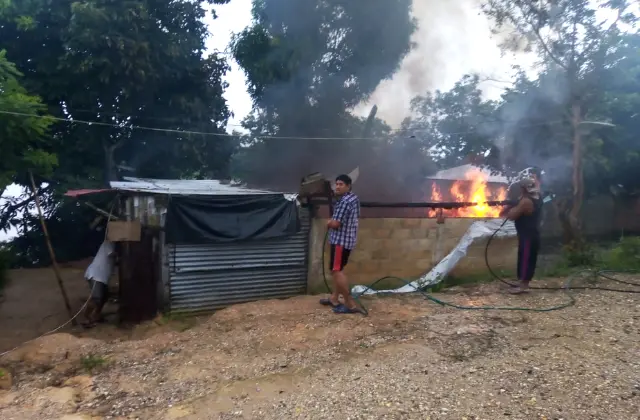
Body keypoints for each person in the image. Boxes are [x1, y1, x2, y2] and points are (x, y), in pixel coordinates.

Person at [319, 174, 361, 314]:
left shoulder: (344, 202)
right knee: (339, 269)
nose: (337, 186)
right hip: (348, 241)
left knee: (336, 271)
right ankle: (334, 298)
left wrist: (329, 222)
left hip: (340, 242)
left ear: (348, 186)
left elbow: (336, 223)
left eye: (341, 184)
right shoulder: (353, 198)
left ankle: (350, 304)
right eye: (336, 184)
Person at [500, 177, 543, 294]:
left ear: (523, 189)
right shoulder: (538, 197)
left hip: (527, 235)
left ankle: (523, 286)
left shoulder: (526, 201)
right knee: (528, 258)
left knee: (525, 259)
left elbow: (512, 216)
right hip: (532, 233)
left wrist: (510, 208)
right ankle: (522, 282)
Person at [83, 240, 116, 326]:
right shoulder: (109, 243)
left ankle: (96, 315)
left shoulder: (113, 245)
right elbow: (112, 254)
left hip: (102, 277)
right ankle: (86, 317)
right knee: (96, 297)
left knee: (105, 296)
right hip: (96, 275)